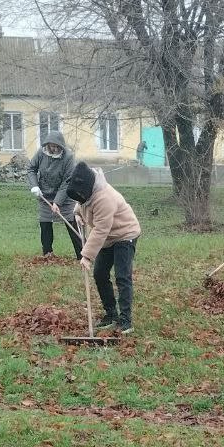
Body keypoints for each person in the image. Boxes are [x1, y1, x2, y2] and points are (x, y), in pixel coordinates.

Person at [66, 162, 141, 334]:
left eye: (80, 195)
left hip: (125, 235)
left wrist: (86, 256)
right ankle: (111, 314)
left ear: (88, 187)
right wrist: (77, 214)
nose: (79, 197)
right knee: (100, 274)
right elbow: (81, 204)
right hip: (108, 238)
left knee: (122, 276)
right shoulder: (86, 190)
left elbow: (100, 229)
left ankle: (125, 320)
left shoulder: (104, 197)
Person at [27, 131, 82, 260]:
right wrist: (34, 185)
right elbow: (31, 169)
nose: (55, 149)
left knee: (71, 221)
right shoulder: (41, 153)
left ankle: (82, 255)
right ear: (48, 145)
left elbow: (67, 181)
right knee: (45, 223)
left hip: (65, 196)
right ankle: (48, 254)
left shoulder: (68, 157)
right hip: (45, 194)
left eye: (58, 147)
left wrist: (57, 202)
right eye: (52, 146)